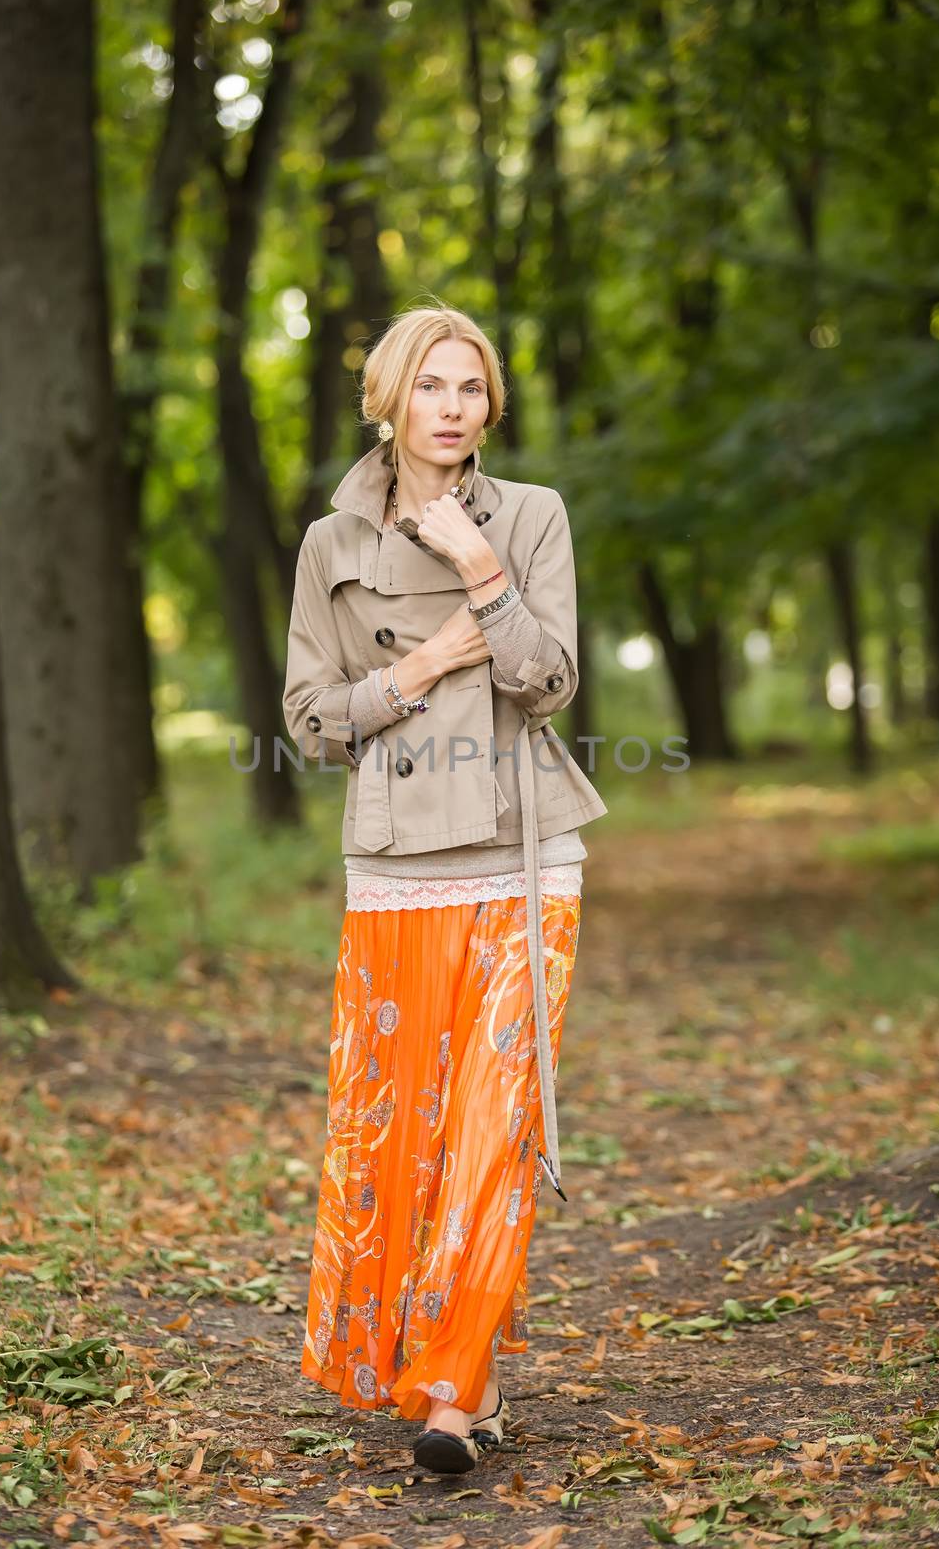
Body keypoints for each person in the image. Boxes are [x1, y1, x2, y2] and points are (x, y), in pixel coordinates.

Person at [282, 303, 608, 1474]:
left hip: (524, 850)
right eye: (431, 386)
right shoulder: (332, 546)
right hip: (397, 869)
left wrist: (481, 572)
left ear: (490, 404)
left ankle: (452, 1398)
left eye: (471, 387)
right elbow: (311, 719)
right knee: (397, 1138)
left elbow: (548, 680)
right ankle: (412, 1359)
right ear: (390, 398)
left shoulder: (530, 518)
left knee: (491, 1129)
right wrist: (415, 668)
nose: (453, 407)